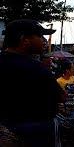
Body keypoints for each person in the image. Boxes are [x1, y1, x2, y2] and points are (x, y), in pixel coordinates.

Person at [0, 19, 65, 147]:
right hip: (37, 134)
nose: (44, 41)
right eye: (40, 36)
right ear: (24, 40)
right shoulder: (36, 69)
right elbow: (61, 96)